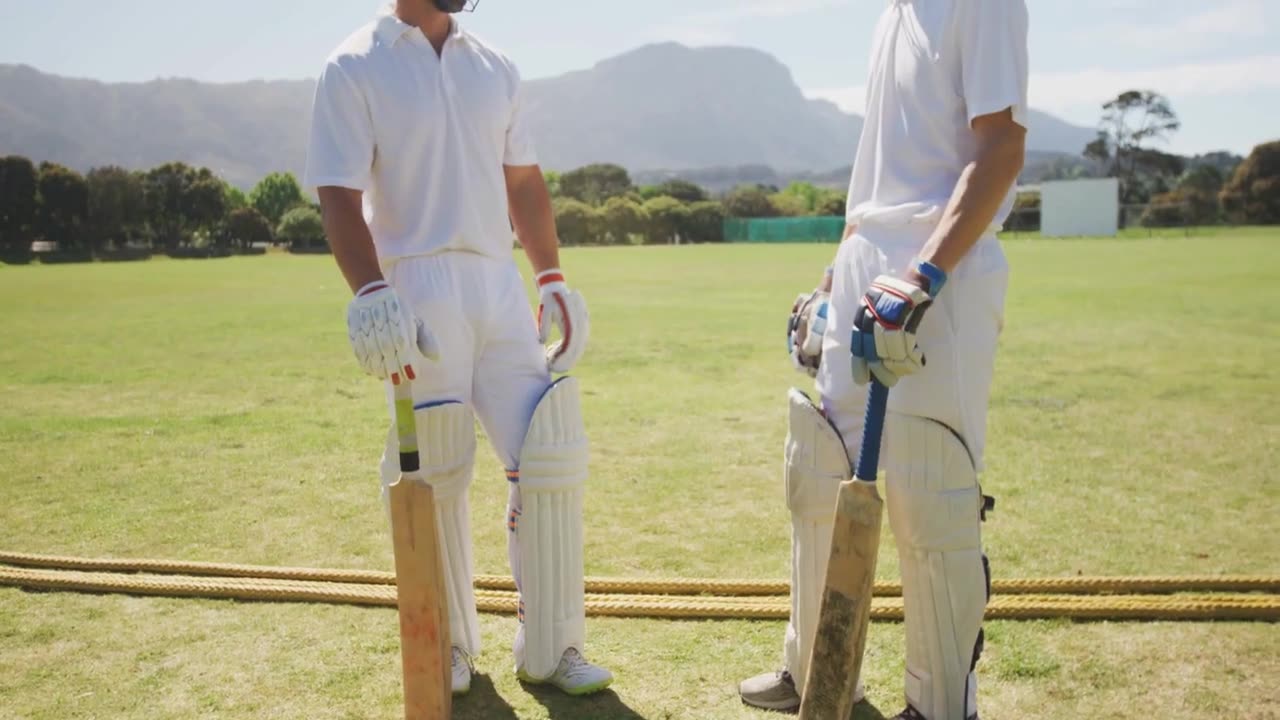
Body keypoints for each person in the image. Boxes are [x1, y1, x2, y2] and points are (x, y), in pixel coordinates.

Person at [303, 0, 613, 698]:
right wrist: (370, 290)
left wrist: (553, 276)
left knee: (551, 455)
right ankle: (446, 648)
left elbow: (523, 180)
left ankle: (553, 647)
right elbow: (338, 194)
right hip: (415, 285)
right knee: (437, 470)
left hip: (497, 286)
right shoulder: (355, 63)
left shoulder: (493, 65)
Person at [745, 1, 1029, 718]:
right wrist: (831, 278)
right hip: (864, 259)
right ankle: (815, 673)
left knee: (930, 490)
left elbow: (1001, 145)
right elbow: (879, 170)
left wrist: (925, 273)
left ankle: (937, 704)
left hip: (941, 262)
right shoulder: (893, 13)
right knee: (820, 471)